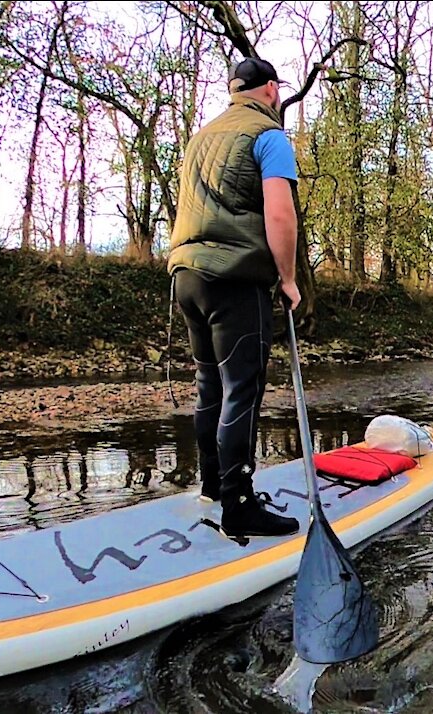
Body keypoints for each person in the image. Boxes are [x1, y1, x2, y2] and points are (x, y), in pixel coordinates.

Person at [167, 57, 302, 538]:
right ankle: (239, 506)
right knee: (242, 389)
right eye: (277, 92)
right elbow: (280, 214)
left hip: (187, 277)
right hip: (236, 278)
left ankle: (213, 486)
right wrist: (286, 278)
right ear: (270, 90)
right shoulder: (269, 136)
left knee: (210, 385)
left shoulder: (199, 138)